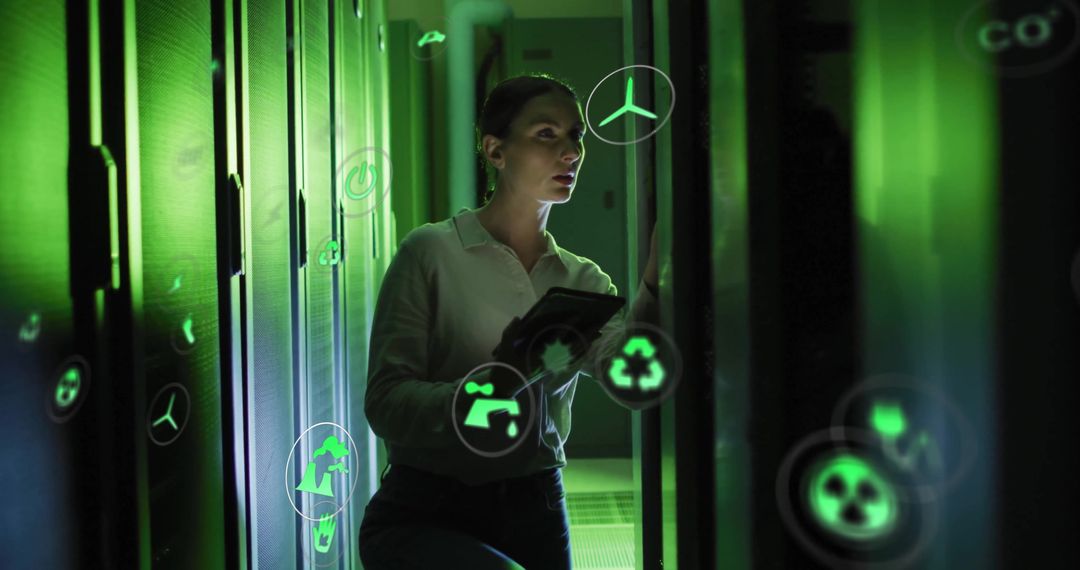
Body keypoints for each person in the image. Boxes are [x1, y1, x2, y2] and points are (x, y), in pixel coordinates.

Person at [358, 73, 661, 570]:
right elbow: (385, 403)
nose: (571, 152)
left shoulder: (582, 279)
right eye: (546, 134)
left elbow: (632, 384)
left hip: (536, 505)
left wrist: (656, 278)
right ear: (495, 150)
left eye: (576, 135)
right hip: (426, 507)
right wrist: (484, 395)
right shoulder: (430, 253)